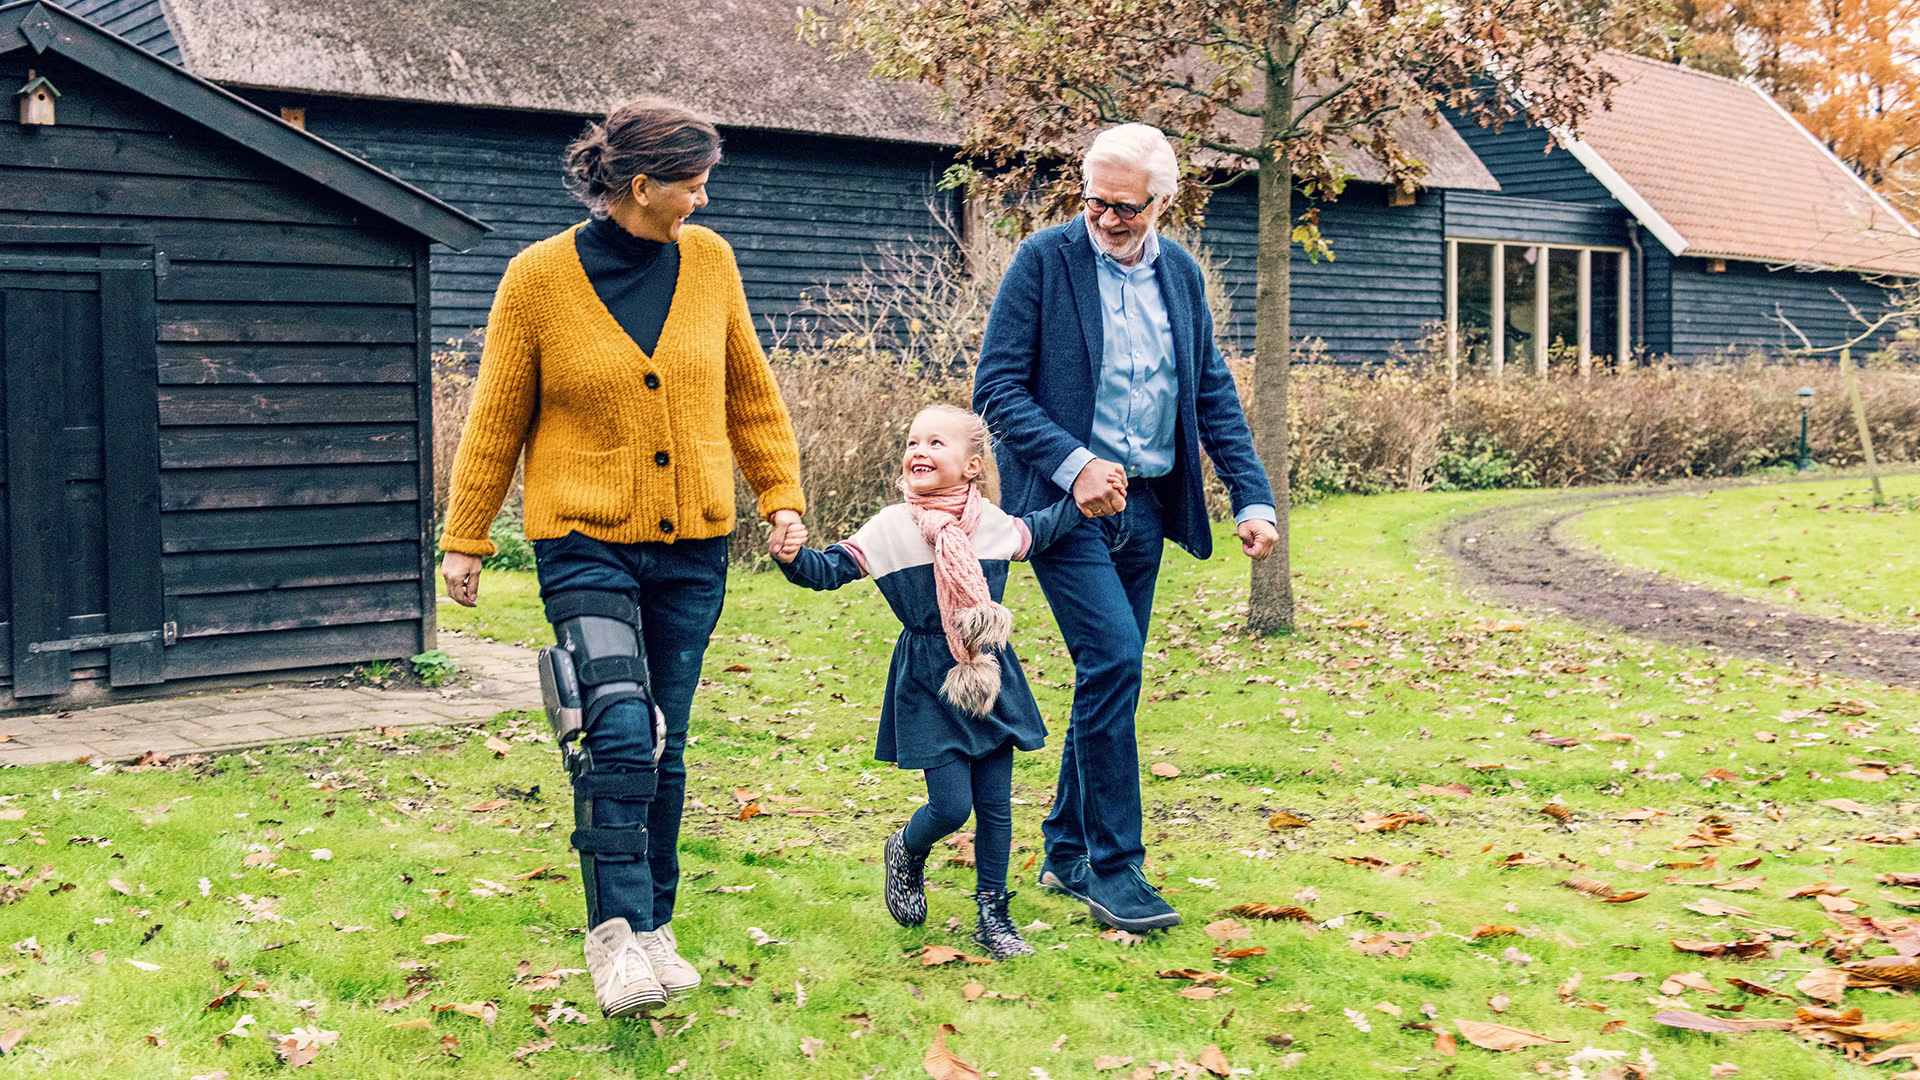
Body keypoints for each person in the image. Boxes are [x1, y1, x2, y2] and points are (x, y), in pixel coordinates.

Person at [437, 99, 806, 1017]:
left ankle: (655, 929)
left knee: (664, 741)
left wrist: (782, 496)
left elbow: (750, 394)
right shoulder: (537, 279)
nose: (703, 199)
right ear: (641, 186)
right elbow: (497, 415)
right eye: (693, 184)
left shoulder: (711, 264)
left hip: (693, 545)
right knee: (618, 729)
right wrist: (466, 536)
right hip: (583, 537)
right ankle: (614, 938)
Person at [973, 123, 1280, 934]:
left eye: (1126, 207)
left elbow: (1209, 390)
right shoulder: (1044, 261)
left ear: (1163, 202)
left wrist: (1252, 498)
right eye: (1095, 202)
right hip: (1064, 509)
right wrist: (1075, 465)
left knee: (1108, 674)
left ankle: (1065, 847)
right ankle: (1115, 869)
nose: (1107, 218)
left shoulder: (1179, 274)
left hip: (1145, 508)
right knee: (1112, 659)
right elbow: (996, 389)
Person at [770, 404, 1082, 960]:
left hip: (987, 669)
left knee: (996, 806)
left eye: (937, 442)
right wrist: (794, 558)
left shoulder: (992, 523)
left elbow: (1041, 530)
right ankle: (906, 849)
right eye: (913, 441)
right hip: (927, 682)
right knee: (951, 807)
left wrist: (1084, 498)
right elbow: (828, 571)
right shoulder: (891, 527)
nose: (919, 450)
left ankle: (993, 914)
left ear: (971, 465)